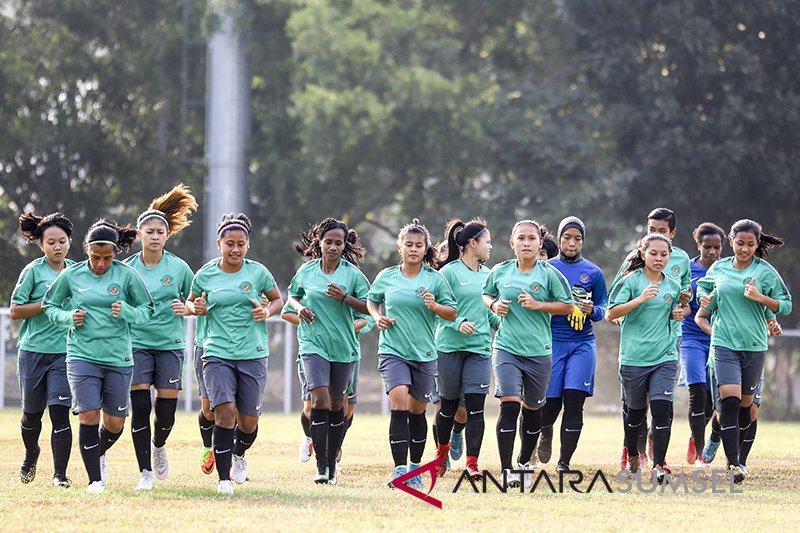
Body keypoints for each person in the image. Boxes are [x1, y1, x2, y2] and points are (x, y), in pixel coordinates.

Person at [43, 220, 155, 493]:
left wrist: (127, 312)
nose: (101, 264)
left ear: (115, 253)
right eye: (95, 257)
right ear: (87, 251)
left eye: (107, 258)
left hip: (118, 358)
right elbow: (50, 305)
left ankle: (99, 451)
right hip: (82, 356)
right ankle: (95, 480)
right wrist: (69, 317)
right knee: (88, 415)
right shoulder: (72, 276)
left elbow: (147, 310)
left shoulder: (126, 275)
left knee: (115, 423)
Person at [186, 213, 284, 494]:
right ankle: (224, 479)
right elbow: (191, 303)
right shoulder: (205, 274)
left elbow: (277, 299)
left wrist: (266, 311)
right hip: (216, 351)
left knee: (248, 422)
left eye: (241, 244)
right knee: (224, 412)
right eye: (230, 243)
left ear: (248, 246)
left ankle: (240, 453)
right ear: (219, 244)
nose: (235, 249)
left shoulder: (258, 272)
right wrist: (197, 309)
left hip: (252, 353)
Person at [695, 219, 791, 483]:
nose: (744, 249)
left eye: (750, 244)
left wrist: (761, 298)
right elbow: (703, 291)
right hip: (724, 343)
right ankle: (735, 465)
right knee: (730, 401)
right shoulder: (720, 267)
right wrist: (702, 298)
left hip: (754, 346)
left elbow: (786, 305)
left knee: (746, 410)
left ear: (757, 244)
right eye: (740, 243)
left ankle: (716, 432)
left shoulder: (766, 272)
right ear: (731, 241)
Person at [367, 219, 457, 489]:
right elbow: (372, 300)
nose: (414, 249)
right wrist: (376, 316)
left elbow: (452, 312)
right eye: (409, 245)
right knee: (399, 403)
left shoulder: (434, 279)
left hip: (424, 354)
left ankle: (415, 468)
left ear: (426, 248)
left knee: (417, 411)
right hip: (393, 351)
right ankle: (399, 470)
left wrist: (434, 306)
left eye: (419, 245)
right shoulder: (387, 276)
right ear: (399, 247)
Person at [482, 220, 573, 487]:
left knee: (533, 411)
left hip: (539, 352)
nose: (526, 243)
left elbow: (568, 307)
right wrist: (495, 304)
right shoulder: (500, 271)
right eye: (520, 238)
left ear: (540, 243)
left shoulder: (549, 275)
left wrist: (538, 305)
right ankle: (506, 469)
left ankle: (523, 462)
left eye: (531, 238)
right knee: (509, 405)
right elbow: (486, 295)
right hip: (507, 348)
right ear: (512, 243)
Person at [124, 185, 197, 490]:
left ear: (168, 235)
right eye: (149, 231)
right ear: (139, 235)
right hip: (137, 345)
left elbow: (197, 301)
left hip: (170, 346)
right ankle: (145, 473)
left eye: (160, 231)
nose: (154, 236)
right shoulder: (126, 269)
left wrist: (188, 307)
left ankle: (158, 445)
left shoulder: (179, 268)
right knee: (140, 409)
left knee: (165, 415)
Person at [287, 218, 370, 485]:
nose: (333, 247)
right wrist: (299, 308)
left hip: (343, 347)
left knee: (338, 405)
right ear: (319, 243)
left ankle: (333, 462)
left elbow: (370, 308)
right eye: (328, 242)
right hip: (313, 344)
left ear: (344, 245)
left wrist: (345, 298)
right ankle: (321, 466)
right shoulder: (307, 272)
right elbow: (292, 295)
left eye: (338, 243)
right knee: (319, 400)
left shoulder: (353, 275)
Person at [610, 208, 691, 471]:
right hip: (634, 356)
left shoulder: (673, 284)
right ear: (642, 254)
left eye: (663, 254)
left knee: (662, 409)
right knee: (634, 413)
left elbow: (678, 310)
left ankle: (659, 465)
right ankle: (632, 454)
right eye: (653, 253)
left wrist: (679, 312)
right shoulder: (631, 280)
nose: (658, 258)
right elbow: (611, 313)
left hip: (665, 355)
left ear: (670, 256)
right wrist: (640, 299)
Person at [537, 216, 608, 471]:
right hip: (553, 342)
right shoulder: (546, 269)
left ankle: (564, 462)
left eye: (577, 238)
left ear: (583, 242)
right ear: (560, 239)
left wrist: (592, 311)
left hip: (582, 343)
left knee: (574, 400)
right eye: (567, 237)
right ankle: (545, 431)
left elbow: (605, 309)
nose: (572, 243)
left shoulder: (593, 272)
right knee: (551, 402)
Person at [11, 212, 75, 487]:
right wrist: (46, 303)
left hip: (65, 353)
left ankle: (60, 475)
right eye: (51, 242)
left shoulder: (76, 272)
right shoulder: (33, 271)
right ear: (41, 244)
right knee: (31, 416)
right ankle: (31, 452)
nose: (57, 246)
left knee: (60, 412)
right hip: (33, 351)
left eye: (62, 241)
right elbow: (15, 310)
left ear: (70, 242)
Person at [433, 218, 496, 480]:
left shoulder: (490, 275)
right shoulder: (448, 273)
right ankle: (441, 454)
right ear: (472, 244)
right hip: (448, 348)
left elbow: (489, 314)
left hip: (480, 350)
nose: (490, 247)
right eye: (487, 242)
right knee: (447, 408)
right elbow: (435, 313)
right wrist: (458, 324)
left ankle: (472, 464)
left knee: (475, 408)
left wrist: (505, 323)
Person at [678, 222, 725, 466]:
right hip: (692, 338)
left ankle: (695, 437)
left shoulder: (728, 270)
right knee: (697, 392)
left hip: (721, 340)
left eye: (717, 247)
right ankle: (698, 452)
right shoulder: (688, 269)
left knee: (712, 400)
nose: (713, 252)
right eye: (707, 247)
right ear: (699, 245)